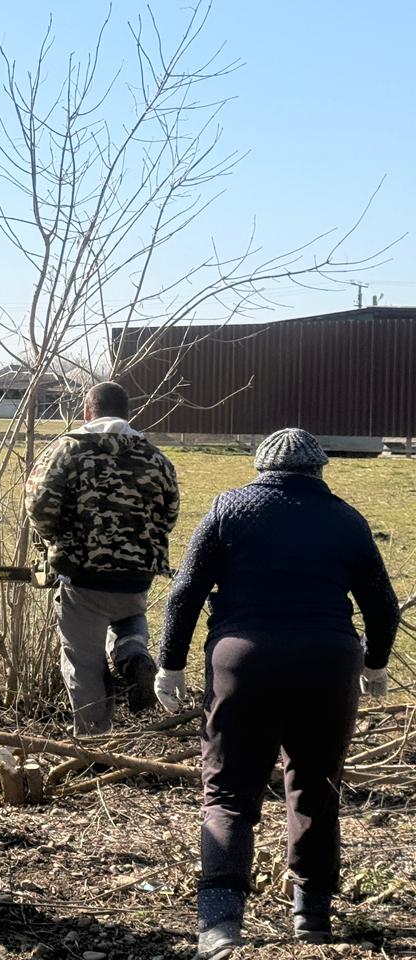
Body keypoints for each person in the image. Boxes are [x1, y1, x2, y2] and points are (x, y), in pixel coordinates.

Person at [154, 428, 399, 958]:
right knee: (315, 786)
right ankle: (312, 914)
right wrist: (375, 665)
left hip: (242, 662)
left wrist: (170, 666)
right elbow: (382, 603)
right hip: (328, 663)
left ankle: (220, 922)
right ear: (319, 469)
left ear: (261, 468)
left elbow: (185, 592)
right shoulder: (346, 519)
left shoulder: (229, 509)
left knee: (229, 792)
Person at [25, 381, 179, 736]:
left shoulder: (66, 451)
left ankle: (95, 740)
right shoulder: (155, 457)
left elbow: (38, 506)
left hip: (82, 575)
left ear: (87, 412)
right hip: (137, 575)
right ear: (128, 414)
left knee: (84, 663)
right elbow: (169, 514)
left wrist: (55, 542)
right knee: (128, 618)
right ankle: (134, 657)